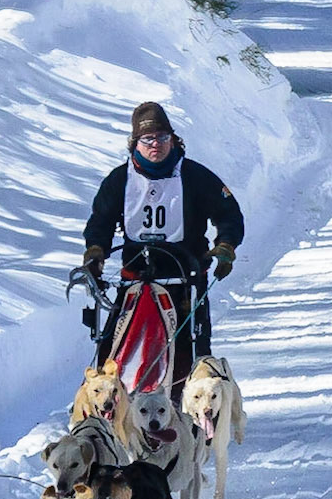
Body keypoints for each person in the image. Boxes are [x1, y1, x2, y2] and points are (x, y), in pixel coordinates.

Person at [81, 100, 244, 388]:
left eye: (161, 137)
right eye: (147, 139)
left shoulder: (195, 176)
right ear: (135, 143)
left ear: (173, 139)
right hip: (135, 278)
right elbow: (100, 221)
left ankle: (188, 403)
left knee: (190, 352)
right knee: (113, 347)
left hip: (186, 278)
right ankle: (108, 401)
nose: (155, 144)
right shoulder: (119, 180)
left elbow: (228, 213)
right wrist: (96, 251)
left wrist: (226, 245)